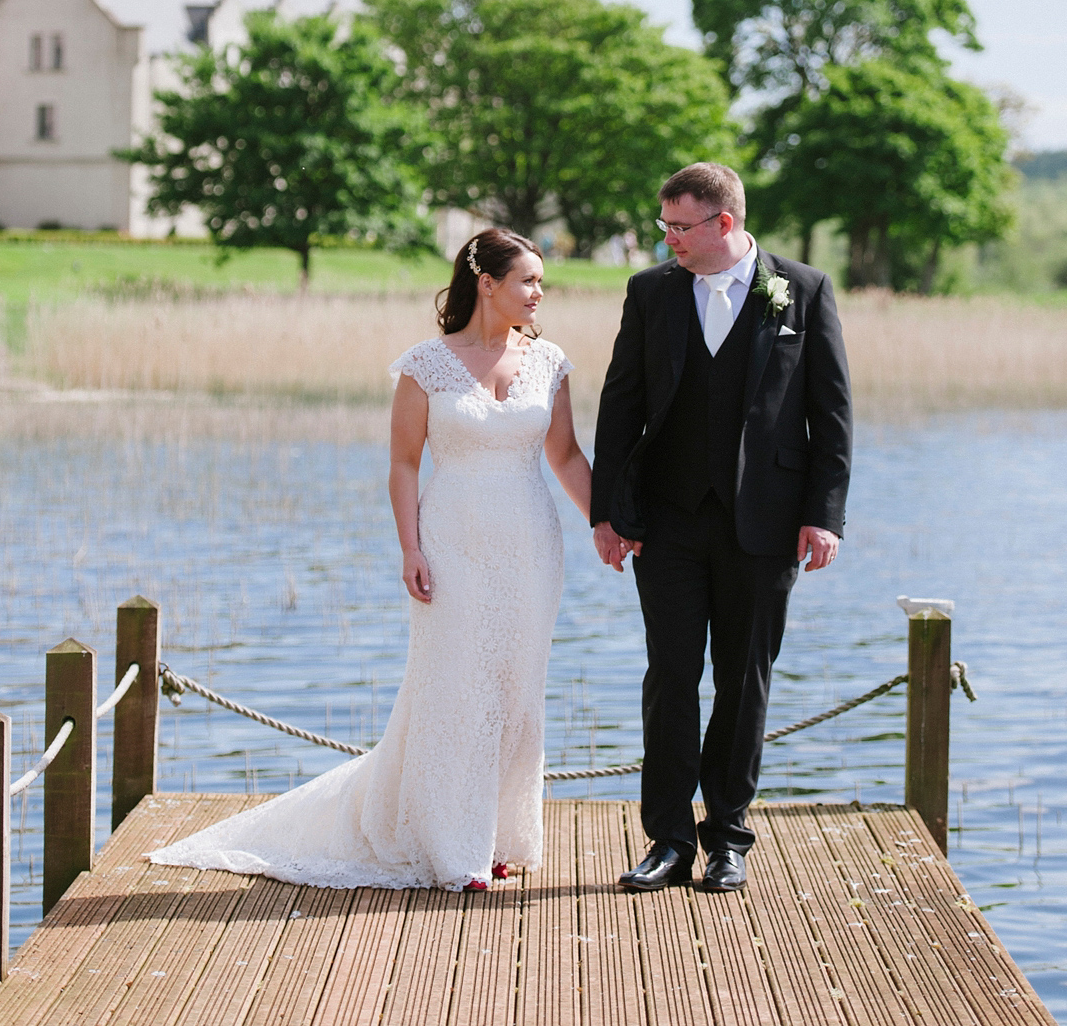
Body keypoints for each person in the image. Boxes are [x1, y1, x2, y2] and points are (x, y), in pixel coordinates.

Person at [148, 227, 591, 891]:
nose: (539, 293)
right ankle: (453, 848)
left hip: (532, 547)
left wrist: (609, 525)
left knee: (515, 688)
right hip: (452, 546)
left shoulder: (549, 360)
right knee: (455, 687)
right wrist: (410, 547)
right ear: (488, 283)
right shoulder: (426, 364)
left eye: (542, 283)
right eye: (528, 280)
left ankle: (498, 834)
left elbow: (566, 456)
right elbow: (403, 465)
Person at [591, 163, 852, 895]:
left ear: (724, 224)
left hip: (765, 523)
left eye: (679, 227)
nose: (667, 239)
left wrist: (822, 514)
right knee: (670, 675)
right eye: (665, 226)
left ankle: (728, 837)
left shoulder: (802, 290)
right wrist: (608, 512)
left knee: (745, 680)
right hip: (667, 523)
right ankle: (668, 839)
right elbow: (621, 402)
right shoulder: (651, 292)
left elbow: (830, 414)